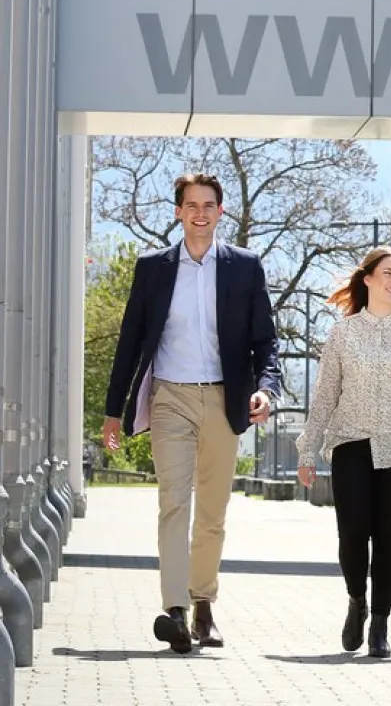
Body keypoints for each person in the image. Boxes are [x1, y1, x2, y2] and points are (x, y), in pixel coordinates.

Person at [102, 173, 282, 653]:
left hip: (225, 399)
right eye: (191, 205)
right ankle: (175, 610)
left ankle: (204, 605)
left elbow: (266, 341)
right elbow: (130, 342)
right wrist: (113, 411)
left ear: (221, 212)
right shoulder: (154, 268)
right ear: (178, 212)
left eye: (209, 205)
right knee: (173, 502)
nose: (200, 213)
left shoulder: (245, 267)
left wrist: (267, 389)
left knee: (213, 512)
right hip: (170, 398)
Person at [294, 247, 391, 659]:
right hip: (350, 443)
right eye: (387, 273)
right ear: (368, 279)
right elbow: (325, 396)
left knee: (387, 538)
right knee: (352, 534)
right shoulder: (342, 333)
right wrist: (308, 449)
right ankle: (356, 601)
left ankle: (379, 623)